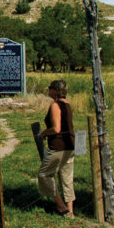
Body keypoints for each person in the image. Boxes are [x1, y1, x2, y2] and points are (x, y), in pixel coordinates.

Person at [37, 79, 76, 218]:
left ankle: (61, 206)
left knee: (44, 174)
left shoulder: (55, 105)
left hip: (58, 147)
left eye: (50, 88)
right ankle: (70, 211)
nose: (48, 90)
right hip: (70, 146)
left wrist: (43, 133)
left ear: (55, 91)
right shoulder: (67, 105)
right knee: (66, 178)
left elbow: (56, 128)